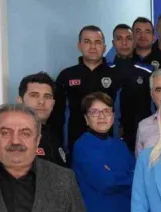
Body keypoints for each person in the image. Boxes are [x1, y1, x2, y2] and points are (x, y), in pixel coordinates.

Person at [50, 25, 122, 155]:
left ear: (104, 47)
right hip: (73, 147)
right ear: (79, 45)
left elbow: (123, 114)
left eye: (97, 42)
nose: (93, 46)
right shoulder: (66, 76)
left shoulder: (117, 76)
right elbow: (57, 116)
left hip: (109, 147)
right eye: (87, 41)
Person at [0, 72, 67, 167]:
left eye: (47, 97)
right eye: (34, 95)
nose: (41, 101)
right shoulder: (9, 136)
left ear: (53, 103)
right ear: (20, 101)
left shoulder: (54, 134)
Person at [111, 24, 155, 152]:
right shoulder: (105, 71)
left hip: (142, 136)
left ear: (134, 42)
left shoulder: (148, 71)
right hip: (110, 136)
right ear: (113, 43)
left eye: (128, 38)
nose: (124, 43)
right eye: (119, 38)